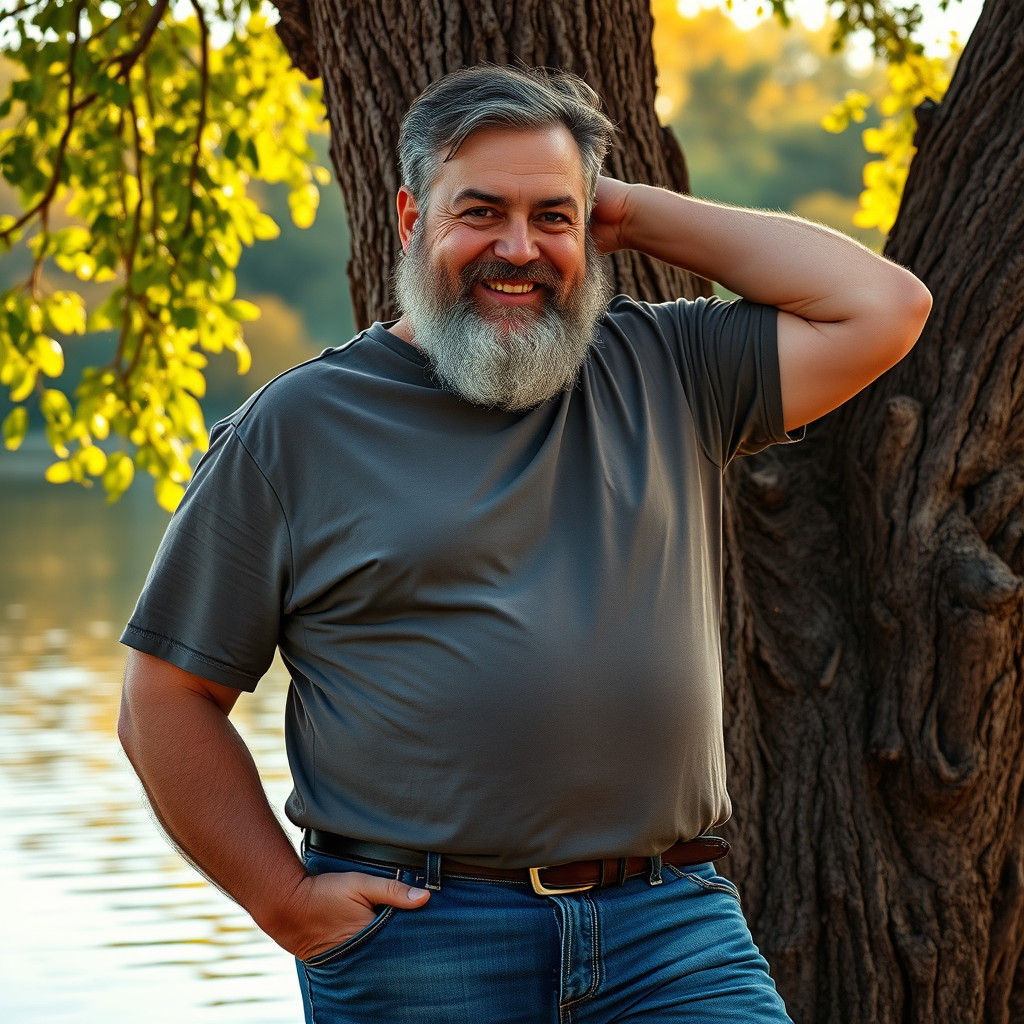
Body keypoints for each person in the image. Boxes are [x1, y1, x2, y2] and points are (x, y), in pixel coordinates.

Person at [117, 64, 931, 1023]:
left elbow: (884, 310)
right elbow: (164, 700)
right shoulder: (297, 429)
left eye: (554, 217)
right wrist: (283, 900)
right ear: (412, 218)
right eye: (482, 213)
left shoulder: (669, 367)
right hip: (424, 940)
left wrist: (623, 206)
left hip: (670, 933)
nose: (520, 247)